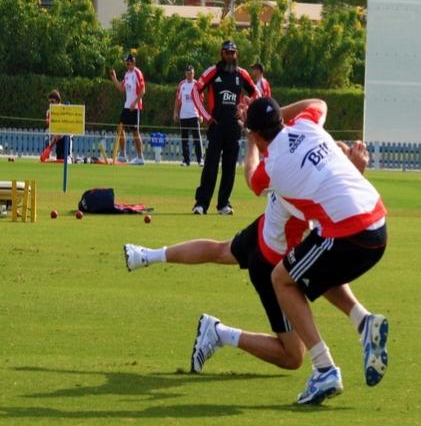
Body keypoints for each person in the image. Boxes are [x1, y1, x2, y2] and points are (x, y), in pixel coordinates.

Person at [122, 147, 389, 384]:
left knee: (219, 250)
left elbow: (251, 170)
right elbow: (339, 213)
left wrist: (250, 141)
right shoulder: (305, 187)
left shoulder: (284, 161)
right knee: (292, 356)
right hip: (273, 264)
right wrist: (357, 173)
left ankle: (146, 255)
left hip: (262, 232)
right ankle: (219, 334)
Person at [243, 95, 389, 405]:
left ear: (257, 134)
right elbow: (320, 102)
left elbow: (251, 180)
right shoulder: (307, 123)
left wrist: (250, 140)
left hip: (350, 231)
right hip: (377, 222)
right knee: (312, 270)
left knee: (282, 278)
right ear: (281, 121)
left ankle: (324, 369)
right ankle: (364, 322)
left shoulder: (272, 166)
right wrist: (275, 116)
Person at [191, 40, 257, 215]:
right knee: (210, 166)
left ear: (236, 54)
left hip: (234, 128)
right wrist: (206, 116)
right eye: (227, 52)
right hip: (216, 126)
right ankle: (201, 204)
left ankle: (223, 205)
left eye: (233, 52)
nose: (230, 56)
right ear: (222, 53)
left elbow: (256, 94)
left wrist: (245, 110)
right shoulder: (213, 71)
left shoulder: (241, 74)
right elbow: (195, 91)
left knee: (229, 168)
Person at [109, 53, 145, 165]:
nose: (127, 65)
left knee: (135, 132)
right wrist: (114, 78)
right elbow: (121, 88)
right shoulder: (127, 74)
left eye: (129, 63)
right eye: (126, 63)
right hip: (126, 106)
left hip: (135, 107)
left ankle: (140, 157)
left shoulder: (137, 73)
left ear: (133, 62)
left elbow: (143, 90)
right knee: (120, 128)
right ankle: (123, 155)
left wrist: (135, 103)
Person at [173, 65, 203, 167]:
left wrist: (201, 114)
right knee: (184, 139)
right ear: (185, 74)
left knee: (197, 139)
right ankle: (186, 160)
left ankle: (200, 159)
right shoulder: (182, 84)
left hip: (194, 115)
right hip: (184, 115)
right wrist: (176, 112)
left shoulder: (197, 85)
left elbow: (201, 101)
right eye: (187, 73)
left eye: (191, 73)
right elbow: (178, 100)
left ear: (193, 73)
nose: (189, 75)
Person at [41, 90, 67, 162]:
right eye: (49, 102)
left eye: (52, 101)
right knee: (59, 158)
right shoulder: (49, 111)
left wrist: (50, 147)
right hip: (56, 137)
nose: (50, 104)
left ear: (58, 101)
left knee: (64, 160)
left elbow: (60, 133)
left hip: (65, 137)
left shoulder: (63, 109)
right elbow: (52, 129)